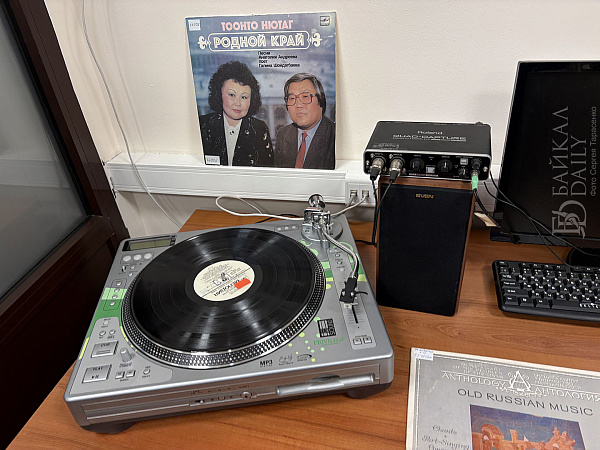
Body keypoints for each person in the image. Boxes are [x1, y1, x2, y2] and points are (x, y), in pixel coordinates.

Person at [199, 61, 274, 167]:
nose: (238, 103)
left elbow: (267, 169)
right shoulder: (202, 125)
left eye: (244, 97)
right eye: (231, 95)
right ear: (219, 94)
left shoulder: (259, 129)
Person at [275, 73, 335, 170]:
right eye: (292, 98)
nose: (298, 105)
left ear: (321, 100)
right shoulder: (283, 134)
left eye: (305, 97)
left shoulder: (335, 135)